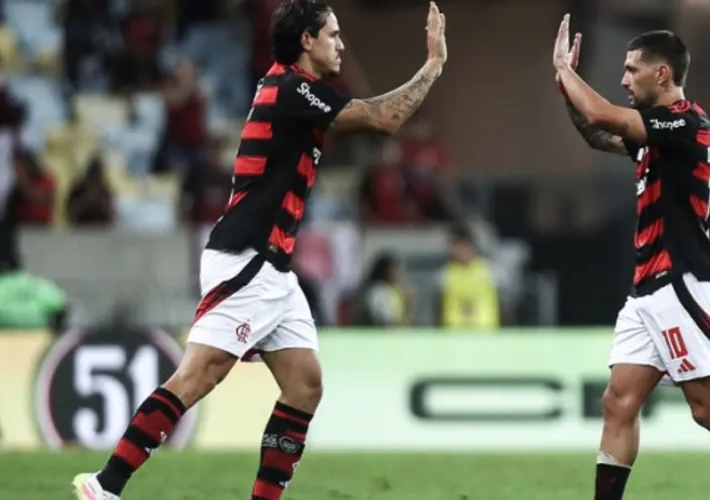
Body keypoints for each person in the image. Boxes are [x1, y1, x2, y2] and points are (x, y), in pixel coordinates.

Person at [72, 1, 447, 499]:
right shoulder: (292, 87)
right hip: (247, 258)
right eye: (333, 34)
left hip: (273, 267)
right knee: (199, 375)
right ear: (306, 40)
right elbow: (382, 118)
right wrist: (433, 65)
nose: (341, 44)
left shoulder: (291, 89)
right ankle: (104, 486)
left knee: (305, 385)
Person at [553, 17, 710, 500]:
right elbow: (595, 133)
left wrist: (565, 70)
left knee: (709, 409)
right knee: (619, 402)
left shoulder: (685, 122)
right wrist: (566, 89)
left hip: (684, 283)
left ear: (661, 74)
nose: (624, 80)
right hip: (647, 289)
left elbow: (601, 114)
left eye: (631, 69)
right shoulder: (655, 135)